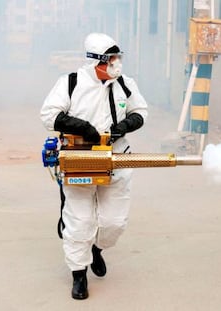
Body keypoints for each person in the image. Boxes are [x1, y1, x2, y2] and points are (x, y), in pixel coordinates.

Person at [40, 32, 148, 300]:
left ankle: (98, 247)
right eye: (111, 59)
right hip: (80, 161)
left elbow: (141, 112)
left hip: (117, 159)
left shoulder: (124, 83)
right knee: (80, 220)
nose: (116, 64)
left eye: (117, 58)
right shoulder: (71, 83)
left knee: (114, 222)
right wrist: (83, 127)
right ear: (96, 62)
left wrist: (124, 125)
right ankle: (79, 274)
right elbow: (49, 115)